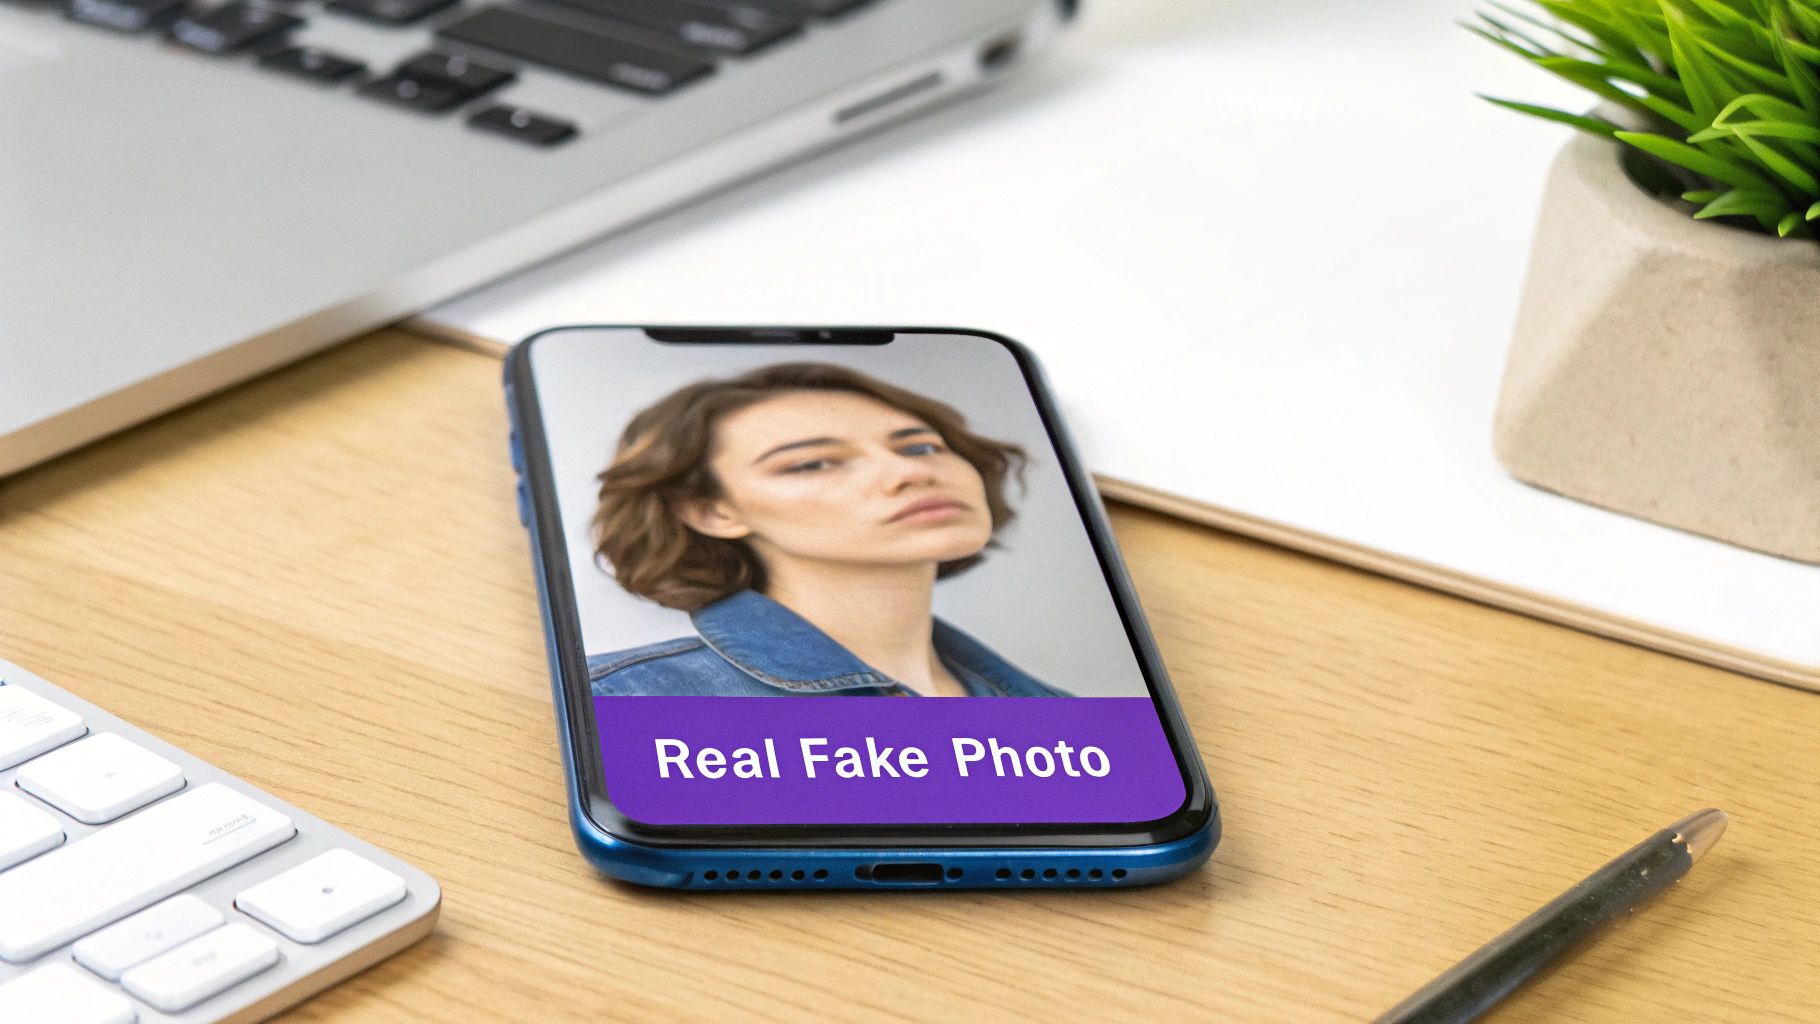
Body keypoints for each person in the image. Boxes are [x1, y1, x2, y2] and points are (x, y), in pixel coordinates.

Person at [585, 362, 1068, 698]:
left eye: (920, 447)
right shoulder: (624, 700)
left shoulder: (1065, 720)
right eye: (813, 463)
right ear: (712, 514)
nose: (911, 472)